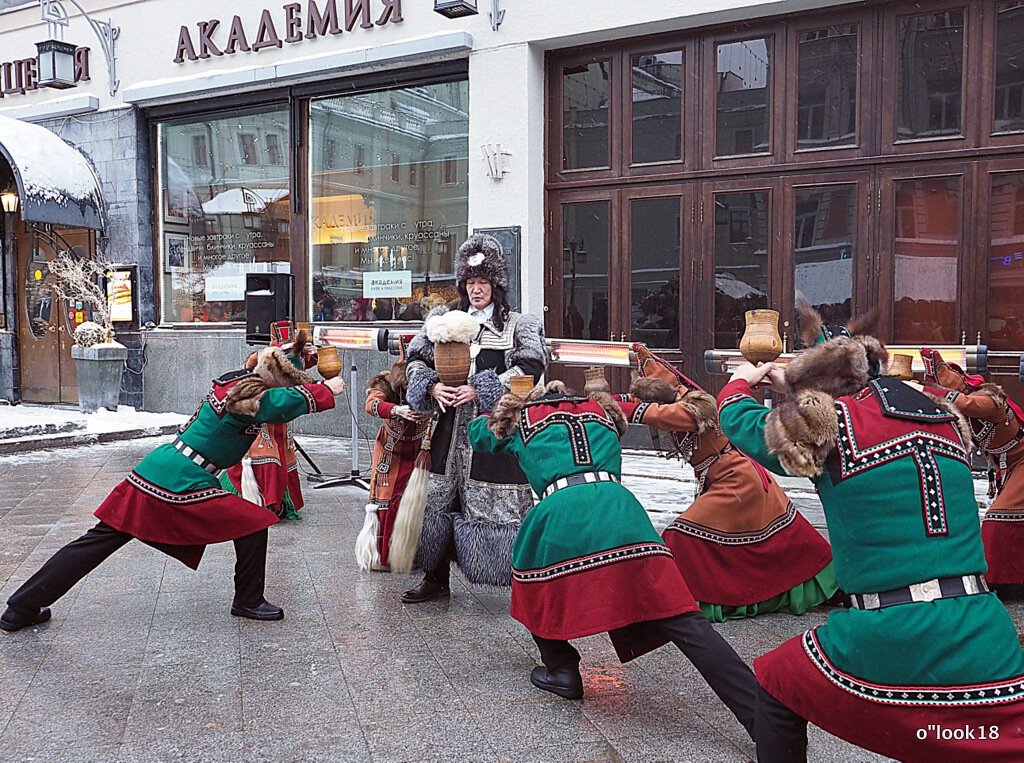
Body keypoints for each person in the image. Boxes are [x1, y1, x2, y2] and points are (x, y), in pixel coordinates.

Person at [717, 308, 1024, 762]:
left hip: (892, 631)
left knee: (777, 680)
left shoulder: (834, 425)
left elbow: (742, 424)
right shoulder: (946, 423)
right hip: (983, 626)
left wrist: (740, 382)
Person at [466, 381, 757, 739]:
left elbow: (479, 434)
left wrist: (484, 399)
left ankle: (561, 669)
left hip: (560, 508)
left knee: (530, 580)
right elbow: (619, 425)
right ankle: (762, 714)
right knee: (685, 620)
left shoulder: (521, 417)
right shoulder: (602, 411)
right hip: (621, 506)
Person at [0, 347, 344, 633]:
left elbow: (273, 383)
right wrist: (328, 390)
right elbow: (277, 403)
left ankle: (19, 608)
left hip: (161, 467)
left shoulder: (239, 381)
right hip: (181, 477)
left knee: (95, 543)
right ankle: (248, 601)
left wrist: (295, 359)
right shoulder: (248, 395)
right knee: (254, 522)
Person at [616, 345, 837, 622]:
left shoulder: (693, 408)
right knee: (731, 545)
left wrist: (607, 405)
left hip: (738, 481)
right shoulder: (676, 403)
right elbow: (647, 409)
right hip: (725, 481)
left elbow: (655, 415)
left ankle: (674, 601)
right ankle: (689, 600)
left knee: (680, 536)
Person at [401, 233, 547, 602]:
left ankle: (517, 583)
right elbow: (416, 360)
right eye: (470, 283)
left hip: (493, 431)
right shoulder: (443, 321)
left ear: (496, 286)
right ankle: (435, 580)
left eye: (482, 283)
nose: (476, 289)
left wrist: (482, 388)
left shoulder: (518, 325)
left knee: (499, 506)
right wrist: (432, 387)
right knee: (438, 503)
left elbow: (531, 368)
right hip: (448, 427)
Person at [921, 347, 1024, 592]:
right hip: (1007, 468)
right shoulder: (961, 416)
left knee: (998, 519)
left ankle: (1002, 580)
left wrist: (921, 390)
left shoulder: (989, 400)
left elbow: (965, 403)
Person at [220, 321, 316, 521]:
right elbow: (290, 374)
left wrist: (309, 355)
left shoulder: (289, 358)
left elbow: (297, 371)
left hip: (279, 418)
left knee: (282, 457)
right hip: (264, 413)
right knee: (265, 456)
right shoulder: (264, 358)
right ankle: (258, 502)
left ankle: (279, 502)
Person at [355, 354, 431, 571]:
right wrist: (397, 409)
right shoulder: (386, 382)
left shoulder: (433, 382)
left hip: (420, 451)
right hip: (392, 453)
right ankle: (385, 556)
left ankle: (410, 554)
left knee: (415, 501)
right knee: (387, 500)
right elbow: (371, 405)